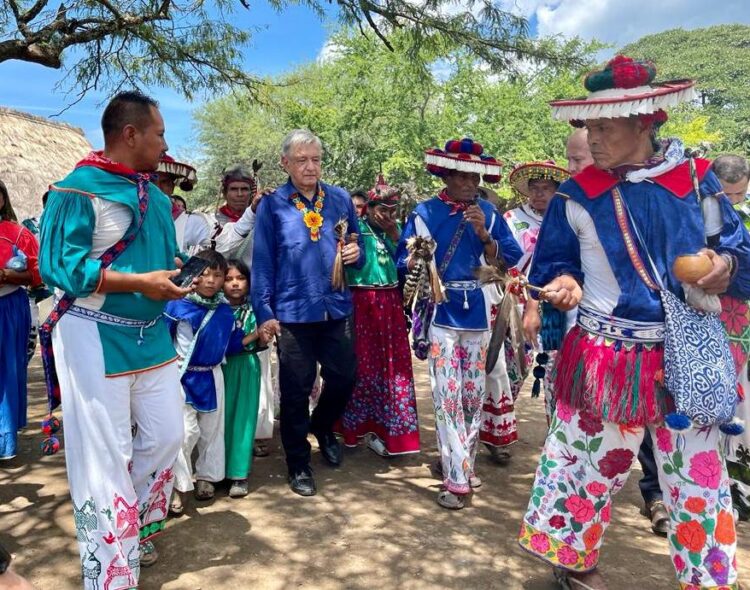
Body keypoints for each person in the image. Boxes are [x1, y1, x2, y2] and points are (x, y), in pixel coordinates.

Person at [516, 55, 750, 589]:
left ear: (644, 121)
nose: (592, 139)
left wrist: (726, 267)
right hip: (604, 354)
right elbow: (556, 266)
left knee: (698, 479)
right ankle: (573, 564)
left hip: (683, 359)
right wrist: (563, 286)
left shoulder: (696, 182)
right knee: (586, 466)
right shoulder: (576, 196)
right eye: (588, 127)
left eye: (605, 126)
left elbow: (742, 256)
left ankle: (708, 577)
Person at [38, 91, 190, 585]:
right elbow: (59, 268)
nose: (165, 143)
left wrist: (172, 276)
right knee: (103, 455)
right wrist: (139, 282)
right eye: (160, 133)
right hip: (93, 334)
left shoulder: (159, 198)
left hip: (153, 337)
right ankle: (109, 574)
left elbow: (159, 261)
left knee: (168, 438)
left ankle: (133, 527)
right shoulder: (78, 191)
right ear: (131, 134)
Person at [397, 138, 522, 510]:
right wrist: (419, 254)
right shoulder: (424, 212)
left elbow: (511, 257)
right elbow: (404, 262)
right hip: (442, 313)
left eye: (475, 178)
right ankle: (456, 478)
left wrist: (485, 235)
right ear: (447, 176)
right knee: (446, 394)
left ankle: (463, 463)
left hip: (479, 315)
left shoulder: (489, 212)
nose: (470, 184)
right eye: (462, 178)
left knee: (472, 395)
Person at [252, 129, 363, 497]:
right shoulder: (272, 204)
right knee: (295, 390)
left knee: (344, 376)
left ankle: (324, 424)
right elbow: (264, 261)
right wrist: (263, 310)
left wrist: (354, 254)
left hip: (335, 307)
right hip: (293, 311)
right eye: (301, 160)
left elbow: (356, 243)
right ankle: (298, 462)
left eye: (315, 159)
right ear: (285, 163)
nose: (310, 166)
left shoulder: (340, 198)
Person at [480, 161, 569, 464]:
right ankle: (497, 434)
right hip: (516, 307)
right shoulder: (511, 219)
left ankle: (559, 443)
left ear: (557, 192)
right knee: (510, 372)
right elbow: (499, 258)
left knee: (557, 377)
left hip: (555, 309)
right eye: (534, 188)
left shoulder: (568, 219)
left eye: (545, 189)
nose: (539, 194)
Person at [165, 249, 255, 510]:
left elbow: (232, 345)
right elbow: (162, 339)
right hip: (181, 377)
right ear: (193, 275)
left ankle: (207, 477)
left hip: (213, 377)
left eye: (217, 275)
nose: (210, 281)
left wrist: (258, 334)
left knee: (212, 431)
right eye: (204, 274)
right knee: (184, 433)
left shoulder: (225, 312)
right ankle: (178, 487)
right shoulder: (175, 306)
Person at [338, 174, 420, 457]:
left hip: (391, 307)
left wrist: (398, 236)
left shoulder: (398, 232)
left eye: (391, 210)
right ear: (369, 209)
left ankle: (390, 432)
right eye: (381, 209)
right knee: (360, 368)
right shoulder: (354, 232)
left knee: (391, 368)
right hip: (362, 305)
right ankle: (353, 429)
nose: (387, 215)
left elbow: (409, 268)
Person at [713, 156, 750, 521]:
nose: (734, 200)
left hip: (742, 324)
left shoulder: (740, 216)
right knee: (720, 402)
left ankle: (739, 488)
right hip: (716, 321)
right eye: (728, 193)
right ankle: (722, 487)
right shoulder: (705, 211)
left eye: (740, 193)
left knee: (742, 407)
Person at [0, 180, 41, 460]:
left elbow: (36, 275)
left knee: (6, 371)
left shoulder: (19, 234)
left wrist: (6, 276)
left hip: (8, 307)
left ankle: (3, 439)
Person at [222, 259, 264, 498]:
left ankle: (239, 474)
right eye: (228, 279)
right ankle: (216, 471)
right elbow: (224, 346)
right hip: (220, 368)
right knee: (220, 420)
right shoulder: (216, 309)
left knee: (243, 420)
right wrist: (254, 335)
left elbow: (262, 341)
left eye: (240, 278)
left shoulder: (256, 308)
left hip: (247, 367)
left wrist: (260, 336)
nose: (235, 284)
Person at [155, 154, 211, 255]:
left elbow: (207, 258)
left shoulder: (193, 222)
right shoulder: (131, 216)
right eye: (151, 181)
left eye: (164, 182)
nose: (157, 188)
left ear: (172, 186)